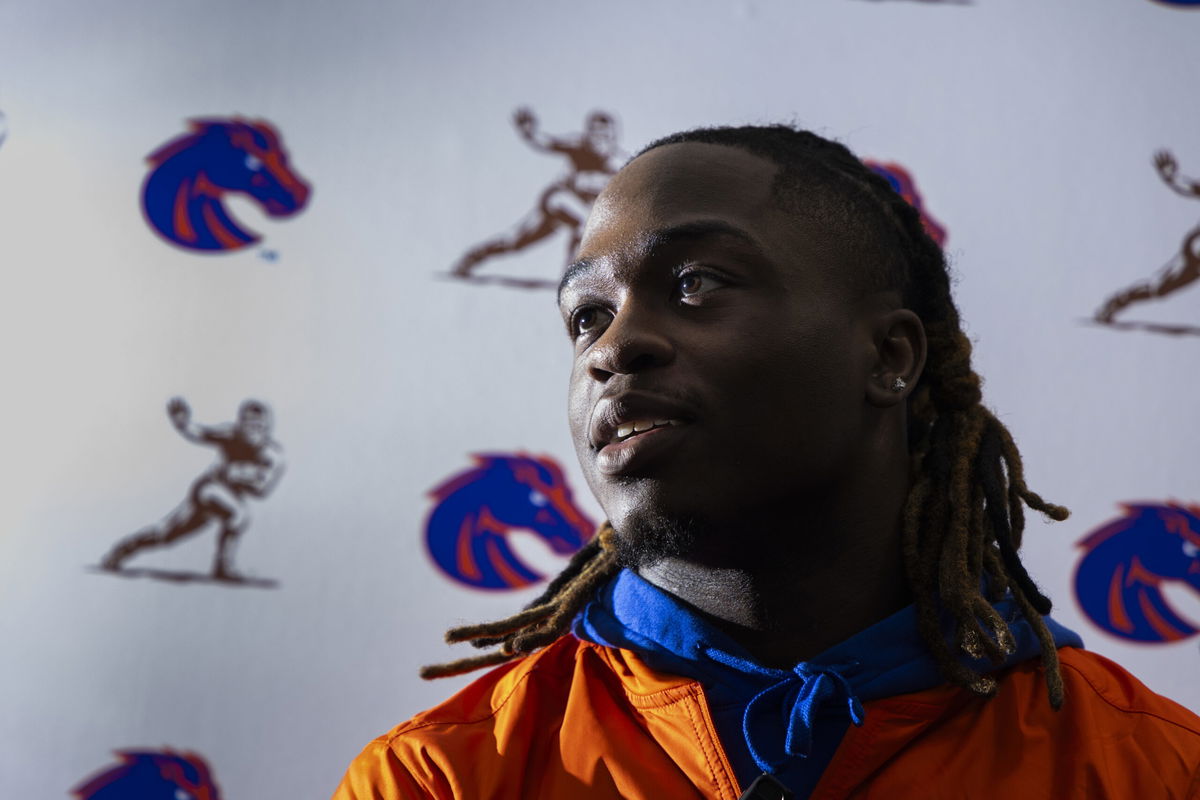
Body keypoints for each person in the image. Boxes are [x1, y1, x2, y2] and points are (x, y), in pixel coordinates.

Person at [335, 125, 1200, 799]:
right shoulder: (439, 778)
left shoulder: (1151, 771)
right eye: (586, 318)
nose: (614, 346)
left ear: (890, 358)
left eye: (696, 283)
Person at [101, 397, 285, 581]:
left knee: (167, 534)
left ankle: (125, 549)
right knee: (237, 515)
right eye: (247, 424)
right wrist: (183, 424)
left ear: (267, 428)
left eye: (258, 426)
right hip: (209, 489)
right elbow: (201, 433)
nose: (252, 430)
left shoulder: (273, 457)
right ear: (240, 424)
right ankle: (223, 567)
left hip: (227, 496)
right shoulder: (230, 434)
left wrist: (241, 476)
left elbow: (263, 490)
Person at [451, 108, 623, 280]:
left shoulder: (621, 165)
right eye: (594, 135)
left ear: (613, 138)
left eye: (605, 137)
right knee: (515, 240)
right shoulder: (577, 146)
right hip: (557, 201)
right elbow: (548, 142)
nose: (599, 142)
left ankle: (572, 277)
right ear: (587, 135)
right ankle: (473, 256)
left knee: (580, 228)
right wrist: (530, 134)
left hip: (579, 211)